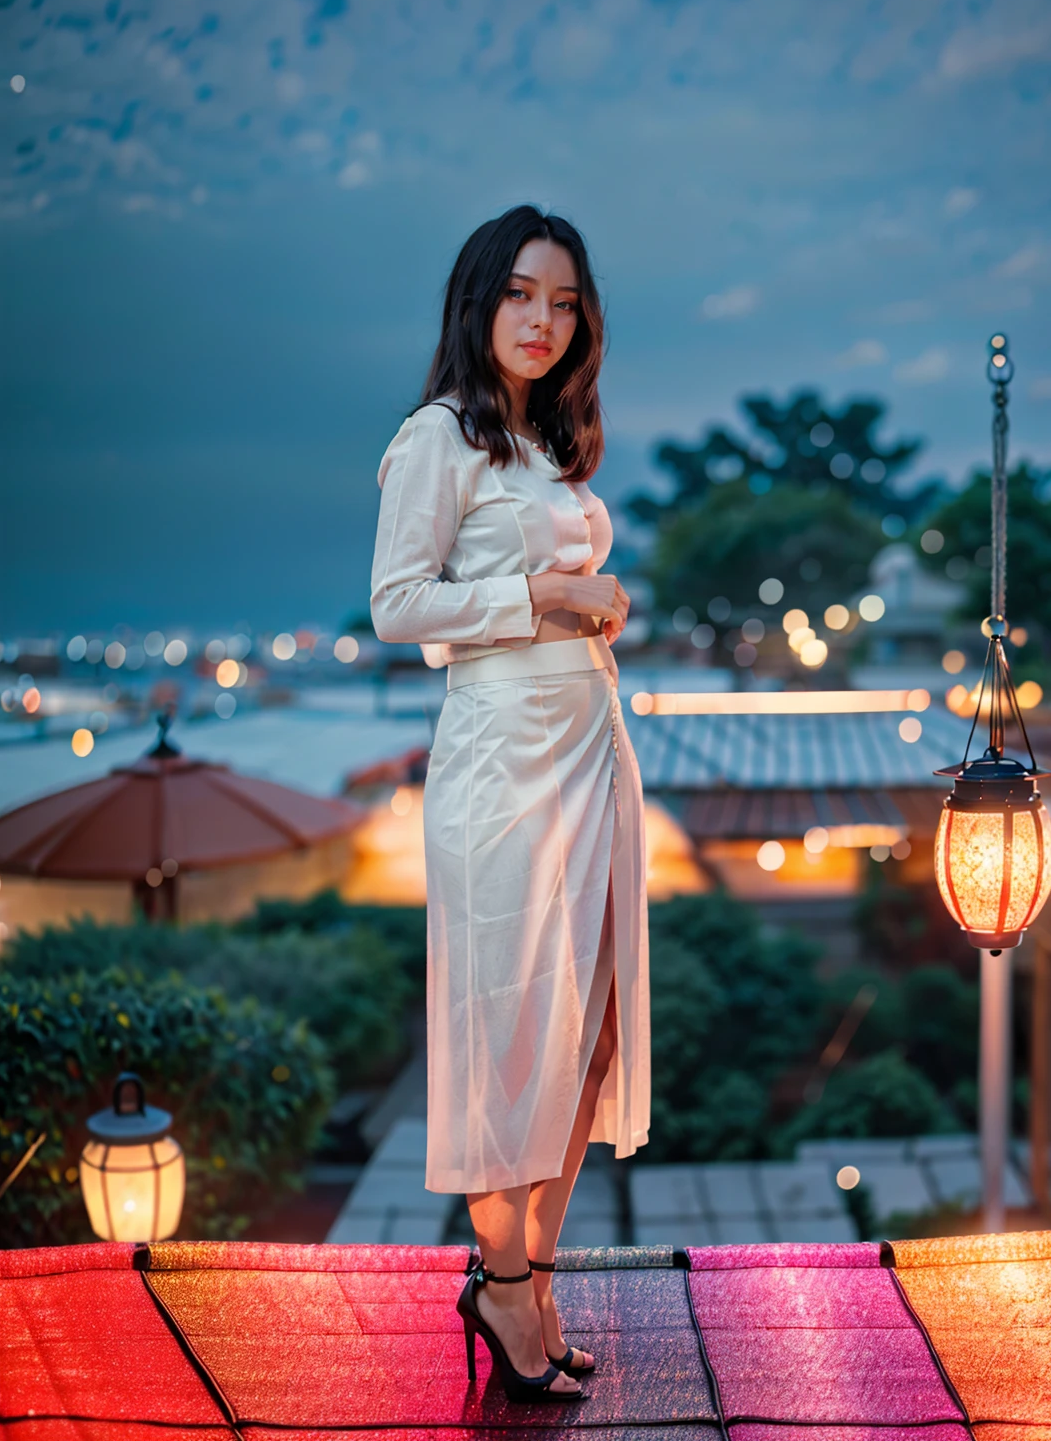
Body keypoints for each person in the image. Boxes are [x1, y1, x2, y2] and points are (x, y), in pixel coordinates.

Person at [370, 205, 649, 1402]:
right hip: (498, 763)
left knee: (583, 1035)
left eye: (566, 302)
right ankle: (500, 1284)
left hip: (589, 748)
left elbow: (554, 592)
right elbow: (396, 605)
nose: (543, 321)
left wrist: (597, 603)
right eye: (522, 295)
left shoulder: (550, 445)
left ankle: (530, 1273)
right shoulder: (438, 438)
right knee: (506, 1030)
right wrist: (541, 594)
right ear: (479, 300)